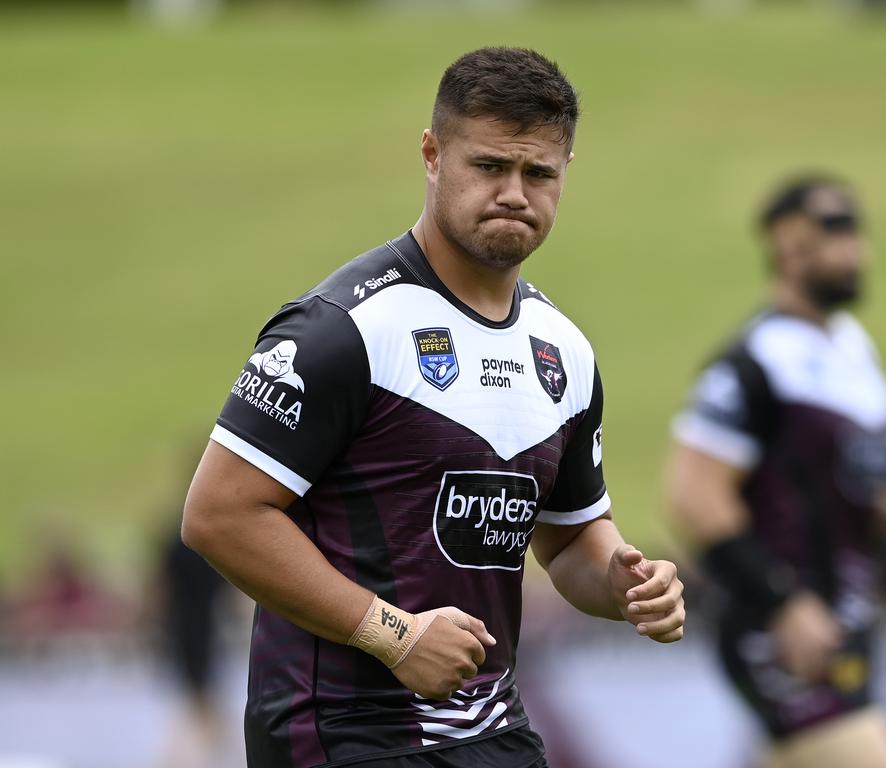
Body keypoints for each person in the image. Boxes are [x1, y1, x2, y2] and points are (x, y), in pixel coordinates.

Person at [183, 47, 685, 768]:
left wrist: (625, 585)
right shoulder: (343, 329)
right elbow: (219, 516)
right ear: (432, 155)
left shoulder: (565, 353)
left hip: (493, 730)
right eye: (489, 166)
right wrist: (393, 635)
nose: (515, 191)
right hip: (341, 736)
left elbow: (572, 541)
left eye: (538, 172)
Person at [665, 174, 886, 768]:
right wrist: (782, 603)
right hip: (782, 634)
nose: (854, 250)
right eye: (834, 233)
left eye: (855, 231)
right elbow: (693, 495)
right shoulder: (755, 362)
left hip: (847, 628)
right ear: (787, 245)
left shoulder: (855, 354)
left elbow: (862, 498)